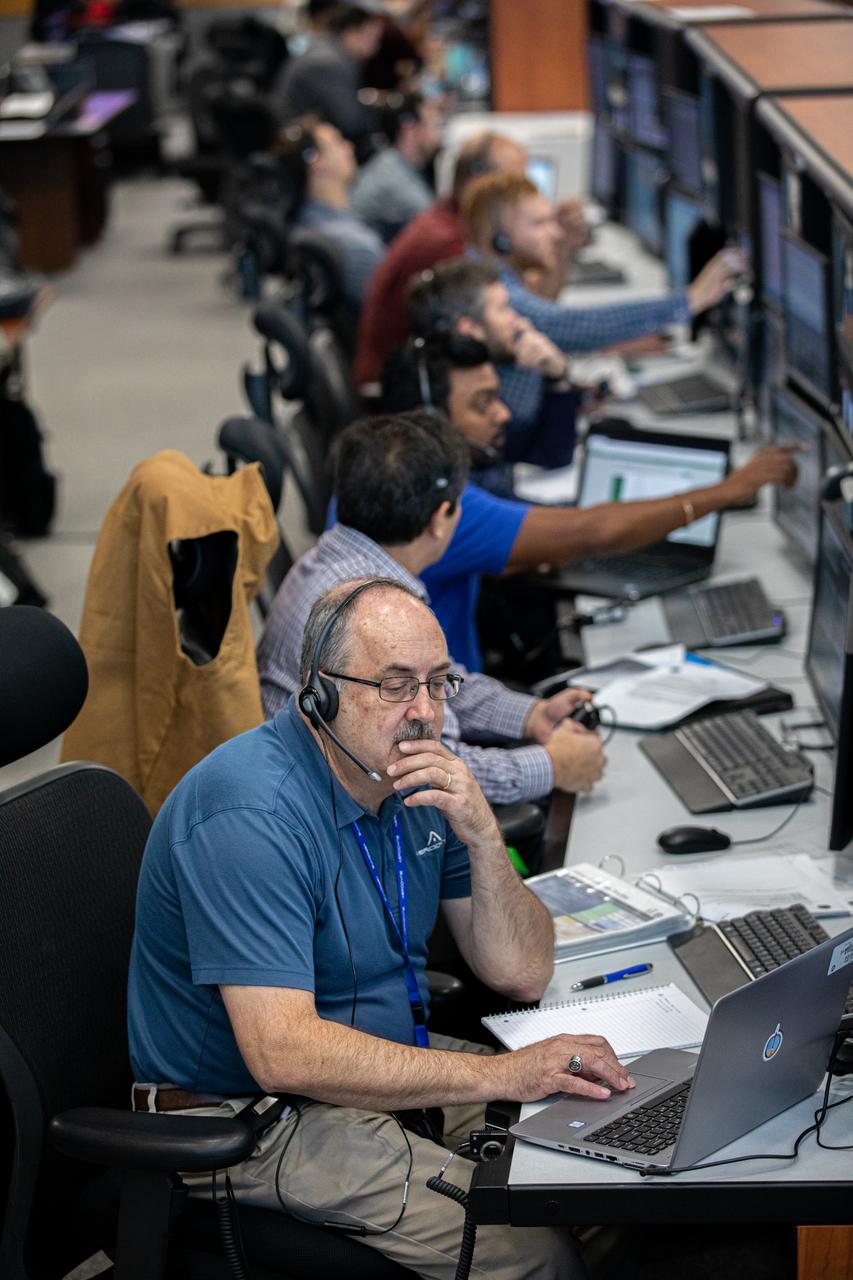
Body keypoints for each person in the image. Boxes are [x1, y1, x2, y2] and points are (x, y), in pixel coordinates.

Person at [128, 576, 635, 1280]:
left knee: (619, 1158)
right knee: (531, 1251)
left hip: (376, 1062)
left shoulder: (419, 781)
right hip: (249, 1118)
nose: (425, 712)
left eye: (438, 683)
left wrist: (484, 835)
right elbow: (285, 1054)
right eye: (395, 686)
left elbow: (519, 971)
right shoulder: (248, 816)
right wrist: (504, 1072)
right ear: (318, 693)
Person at [382, 336, 800, 669]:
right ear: (430, 419)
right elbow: (594, 533)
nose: (503, 414)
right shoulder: (437, 503)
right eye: (483, 403)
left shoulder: (384, 474)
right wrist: (729, 490)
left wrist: (523, 550)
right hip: (452, 717)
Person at [257, 411, 606, 804]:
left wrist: (531, 714)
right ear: (441, 519)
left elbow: (445, 684)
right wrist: (551, 766)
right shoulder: (375, 613)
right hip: (341, 811)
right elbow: (428, 771)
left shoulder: (337, 558)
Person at [462, 171, 746, 354]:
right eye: (538, 223)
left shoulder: (489, 273)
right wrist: (690, 300)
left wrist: (562, 251)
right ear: (499, 238)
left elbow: (546, 310)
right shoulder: (490, 292)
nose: (555, 232)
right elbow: (560, 324)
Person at [353, 129, 528, 386]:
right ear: (478, 183)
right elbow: (508, 328)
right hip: (403, 390)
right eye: (512, 187)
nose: (521, 199)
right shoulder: (447, 246)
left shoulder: (445, 222)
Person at [408, 256, 582, 475]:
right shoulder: (452, 391)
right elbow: (535, 453)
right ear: (469, 328)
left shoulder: (474, 371)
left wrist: (556, 378)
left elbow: (552, 455)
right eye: (503, 309)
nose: (517, 320)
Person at [273, 114, 384, 313]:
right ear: (317, 162)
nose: (348, 147)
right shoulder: (356, 245)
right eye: (338, 142)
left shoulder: (304, 224)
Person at [271, 4, 384, 155]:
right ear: (352, 34)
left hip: (305, 141)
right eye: (372, 38)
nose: (375, 48)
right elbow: (351, 123)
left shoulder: (327, 51)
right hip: (301, 151)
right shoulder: (328, 63)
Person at [351, 92, 444, 243]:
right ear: (410, 129)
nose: (440, 135)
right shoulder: (394, 178)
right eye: (435, 124)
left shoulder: (391, 162)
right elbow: (437, 228)